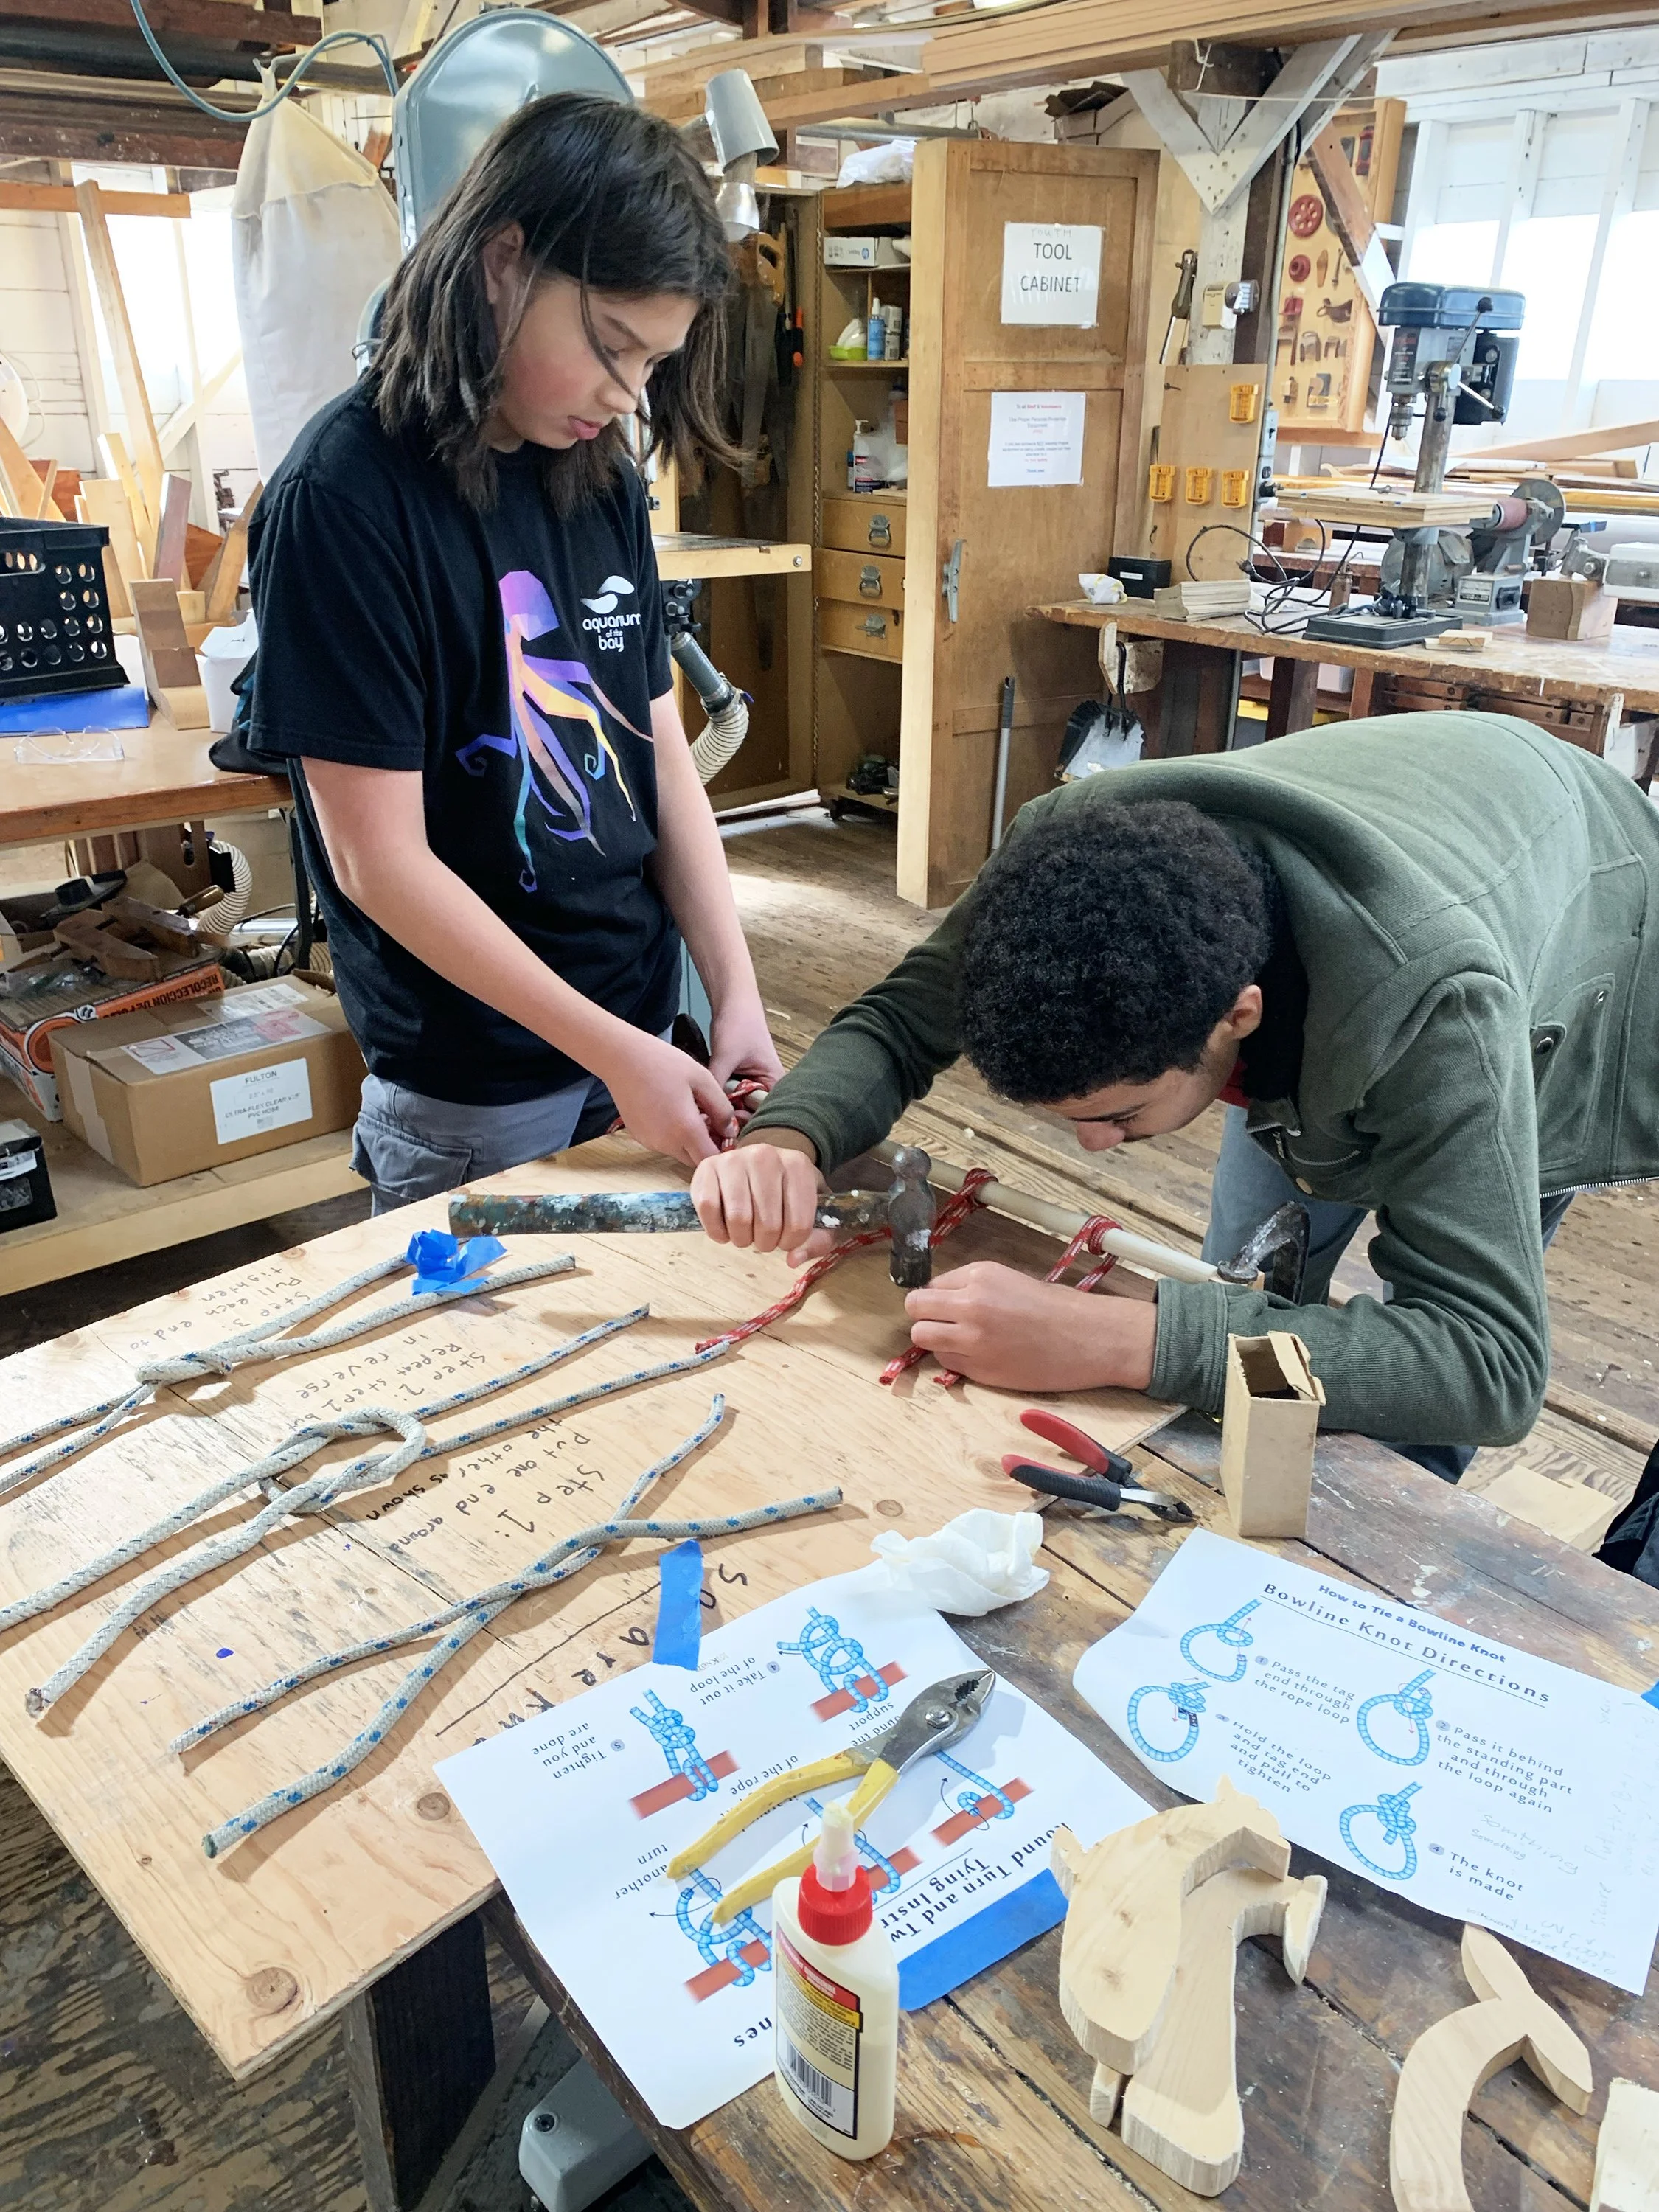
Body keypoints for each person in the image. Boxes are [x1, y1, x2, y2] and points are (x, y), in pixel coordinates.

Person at [691, 712, 1659, 1474]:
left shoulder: (1436, 1007)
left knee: (1391, 1391)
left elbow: (1480, 1364)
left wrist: (1123, 1340)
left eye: (1117, 1116)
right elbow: (902, 1018)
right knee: (1239, 1281)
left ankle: (1389, 1545)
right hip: (1408, 838)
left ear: (1235, 1017)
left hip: (1580, 914)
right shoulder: (1065, 857)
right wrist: (789, 1135)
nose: (1095, 1151)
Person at [248, 94, 781, 1211]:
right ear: (502, 261)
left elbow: (658, 753)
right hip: (476, 1086)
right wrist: (613, 1055)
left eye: (654, 362)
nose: (624, 395)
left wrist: (732, 991)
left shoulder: (600, 478)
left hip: (642, 1026)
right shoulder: (342, 499)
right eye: (610, 346)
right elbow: (376, 864)